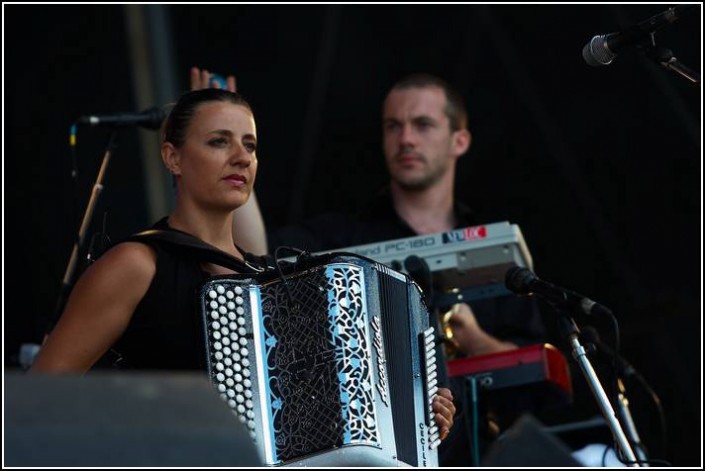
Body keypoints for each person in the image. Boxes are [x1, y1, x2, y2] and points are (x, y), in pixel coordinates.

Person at [29, 87, 456, 451]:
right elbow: (41, 399)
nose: (240, 157)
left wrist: (419, 411)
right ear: (172, 157)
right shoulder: (136, 263)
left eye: (249, 146)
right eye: (219, 142)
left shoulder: (269, 280)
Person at [210, 69, 547, 465]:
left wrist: (470, 337)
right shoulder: (344, 236)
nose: (405, 139)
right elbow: (258, 260)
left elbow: (544, 386)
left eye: (422, 125)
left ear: (460, 140)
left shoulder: (496, 254)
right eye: (393, 126)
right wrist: (223, 141)